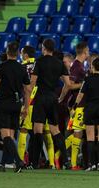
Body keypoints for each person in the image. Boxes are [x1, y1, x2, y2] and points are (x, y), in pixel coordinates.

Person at [30, 39, 72, 169]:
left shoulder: (39, 61)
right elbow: (68, 84)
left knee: (37, 130)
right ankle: (66, 161)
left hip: (40, 97)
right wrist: (61, 97)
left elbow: (32, 82)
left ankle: (33, 162)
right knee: (55, 130)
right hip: (53, 98)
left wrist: (28, 98)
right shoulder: (59, 63)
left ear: (43, 48)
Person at [0, 42, 31, 172]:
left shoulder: (1, 67)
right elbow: (27, 90)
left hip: (4, 103)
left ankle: (18, 161)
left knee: (5, 135)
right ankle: (3, 164)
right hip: (16, 104)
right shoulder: (22, 68)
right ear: (17, 54)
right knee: (10, 136)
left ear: (7, 51)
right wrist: (26, 107)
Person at [74, 57, 99, 171]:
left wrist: (74, 106)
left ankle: (91, 164)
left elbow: (80, 94)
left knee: (90, 138)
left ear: (92, 66)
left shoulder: (87, 79)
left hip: (90, 108)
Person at [59, 42, 89, 170]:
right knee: (78, 133)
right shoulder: (77, 66)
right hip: (78, 104)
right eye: (88, 50)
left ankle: (59, 155)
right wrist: (85, 84)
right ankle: (72, 163)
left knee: (77, 133)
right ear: (84, 51)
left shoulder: (79, 65)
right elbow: (70, 84)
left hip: (78, 104)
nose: (89, 52)